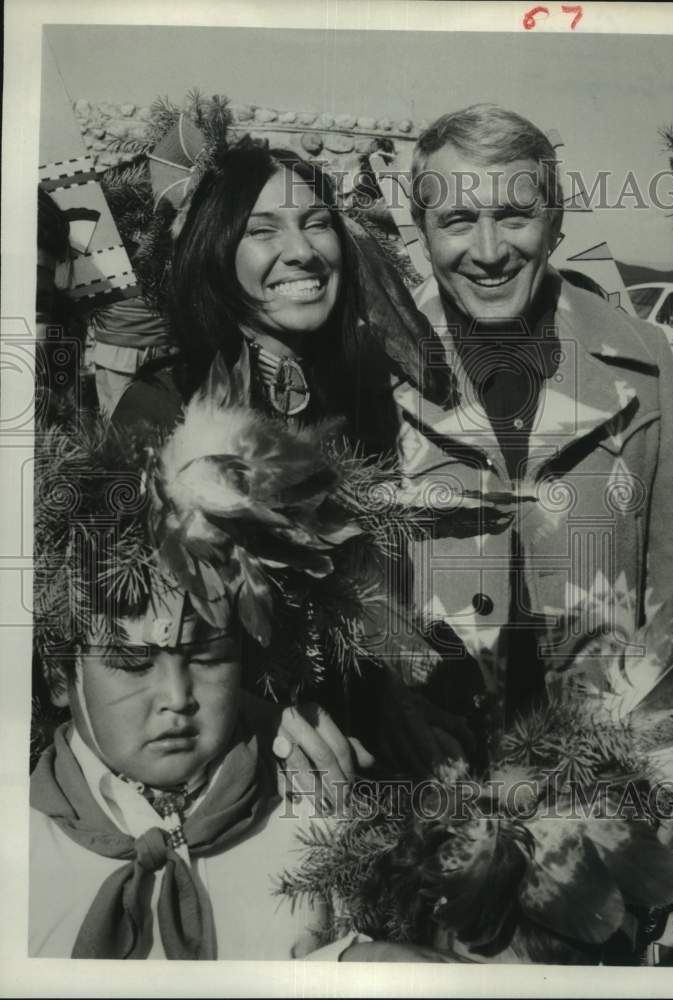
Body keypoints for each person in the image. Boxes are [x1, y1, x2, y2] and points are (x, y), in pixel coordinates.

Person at [111, 120, 488, 780]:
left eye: (316, 223)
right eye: (262, 231)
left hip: (345, 732)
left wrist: (395, 698)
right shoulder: (163, 405)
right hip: (210, 743)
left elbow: (365, 588)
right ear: (215, 251)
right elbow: (123, 622)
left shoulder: (360, 398)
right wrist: (258, 714)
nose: (303, 251)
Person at [29, 397, 459, 962]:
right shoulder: (23, 844)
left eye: (207, 658)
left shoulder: (306, 813)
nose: (178, 699)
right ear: (61, 675)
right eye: (133, 663)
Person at [404, 103, 673, 718]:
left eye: (515, 216)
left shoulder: (642, 358)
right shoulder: (375, 364)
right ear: (423, 231)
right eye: (458, 220)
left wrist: (667, 749)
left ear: (555, 222)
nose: (489, 251)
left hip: (599, 757)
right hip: (428, 757)